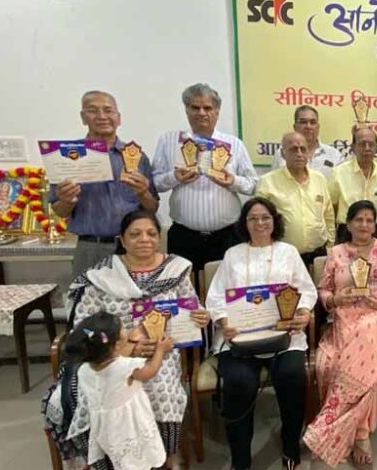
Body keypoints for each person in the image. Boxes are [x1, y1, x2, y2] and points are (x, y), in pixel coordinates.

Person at [41, 210, 210, 470]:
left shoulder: (176, 269)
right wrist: (125, 348)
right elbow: (83, 328)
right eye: (135, 234)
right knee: (91, 395)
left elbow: (192, 308)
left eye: (151, 233)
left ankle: (164, 456)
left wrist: (200, 316)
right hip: (107, 356)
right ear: (122, 239)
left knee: (162, 389)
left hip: (162, 351)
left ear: (159, 238)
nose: (144, 239)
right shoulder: (102, 275)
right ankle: (109, 458)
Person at [206, 197, 317, 470]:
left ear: (274, 221)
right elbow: (215, 296)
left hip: (284, 336)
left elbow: (307, 290)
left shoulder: (288, 252)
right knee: (239, 383)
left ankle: (290, 447)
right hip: (239, 338)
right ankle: (241, 460)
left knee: (292, 375)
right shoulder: (233, 254)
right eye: (253, 218)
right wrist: (223, 321)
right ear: (244, 223)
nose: (259, 223)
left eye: (265, 217)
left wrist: (303, 312)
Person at [304, 200, 377, 468]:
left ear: (375, 225)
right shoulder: (336, 253)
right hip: (346, 318)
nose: (364, 225)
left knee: (366, 332)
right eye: (358, 220)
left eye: (369, 220)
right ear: (348, 224)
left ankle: (357, 433)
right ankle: (357, 432)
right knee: (331, 362)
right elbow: (323, 289)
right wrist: (335, 300)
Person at [151, 83, 258, 276]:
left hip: (227, 236)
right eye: (195, 107)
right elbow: (154, 184)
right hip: (184, 237)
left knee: (227, 290)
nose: (201, 113)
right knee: (185, 289)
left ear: (217, 111)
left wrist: (232, 181)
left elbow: (253, 185)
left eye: (207, 108)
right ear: (186, 109)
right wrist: (174, 177)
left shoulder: (234, 144)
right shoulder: (168, 141)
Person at [52, 90, 159, 276]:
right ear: (83, 117)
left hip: (132, 247)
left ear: (118, 118)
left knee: (135, 294)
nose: (102, 116)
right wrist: (67, 200)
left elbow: (152, 208)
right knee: (87, 294)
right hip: (90, 247)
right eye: (93, 111)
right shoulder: (66, 157)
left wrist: (143, 193)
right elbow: (59, 211)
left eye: (108, 111)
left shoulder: (136, 157)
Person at [64, 312, 173, 470]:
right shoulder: (124, 367)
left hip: (107, 428)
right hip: (131, 425)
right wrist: (160, 350)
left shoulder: (83, 370)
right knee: (142, 456)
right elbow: (150, 371)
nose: (127, 329)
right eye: (123, 328)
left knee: (121, 459)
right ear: (116, 345)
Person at [257, 132, 335, 266]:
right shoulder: (267, 182)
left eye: (303, 149)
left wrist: (330, 246)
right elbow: (259, 222)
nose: (299, 154)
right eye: (293, 149)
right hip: (283, 256)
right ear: (283, 154)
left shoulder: (319, 179)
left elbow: (328, 214)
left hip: (318, 254)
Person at [328, 127, 377, 242]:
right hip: (348, 233)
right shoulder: (338, 172)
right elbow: (331, 208)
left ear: (376, 148)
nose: (367, 148)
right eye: (362, 144)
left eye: (371, 144)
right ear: (353, 147)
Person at [270, 105, 345, 177]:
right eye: (303, 122)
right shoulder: (282, 154)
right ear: (295, 127)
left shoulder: (334, 156)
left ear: (318, 127)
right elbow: (274, 181)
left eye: (312, 122)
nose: (308, 126)